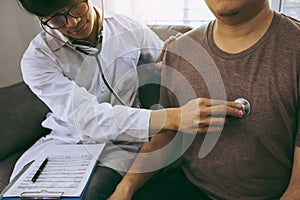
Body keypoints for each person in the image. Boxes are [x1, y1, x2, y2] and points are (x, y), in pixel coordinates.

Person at [12, 0, 244, 199]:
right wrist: (173, 117)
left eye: (75, 7)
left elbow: (162, 67)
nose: (72, 23)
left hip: (122, 143)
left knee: (92, 193)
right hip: (67, 142)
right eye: (56, 19)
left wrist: (172, 56)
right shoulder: (37, 59)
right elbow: (87, 117)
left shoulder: (127, 27)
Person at [109, 0, 300, 199]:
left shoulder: (294, 49)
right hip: (190, 188)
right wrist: (126, 187)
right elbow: (165, 138)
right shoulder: (181, 51)